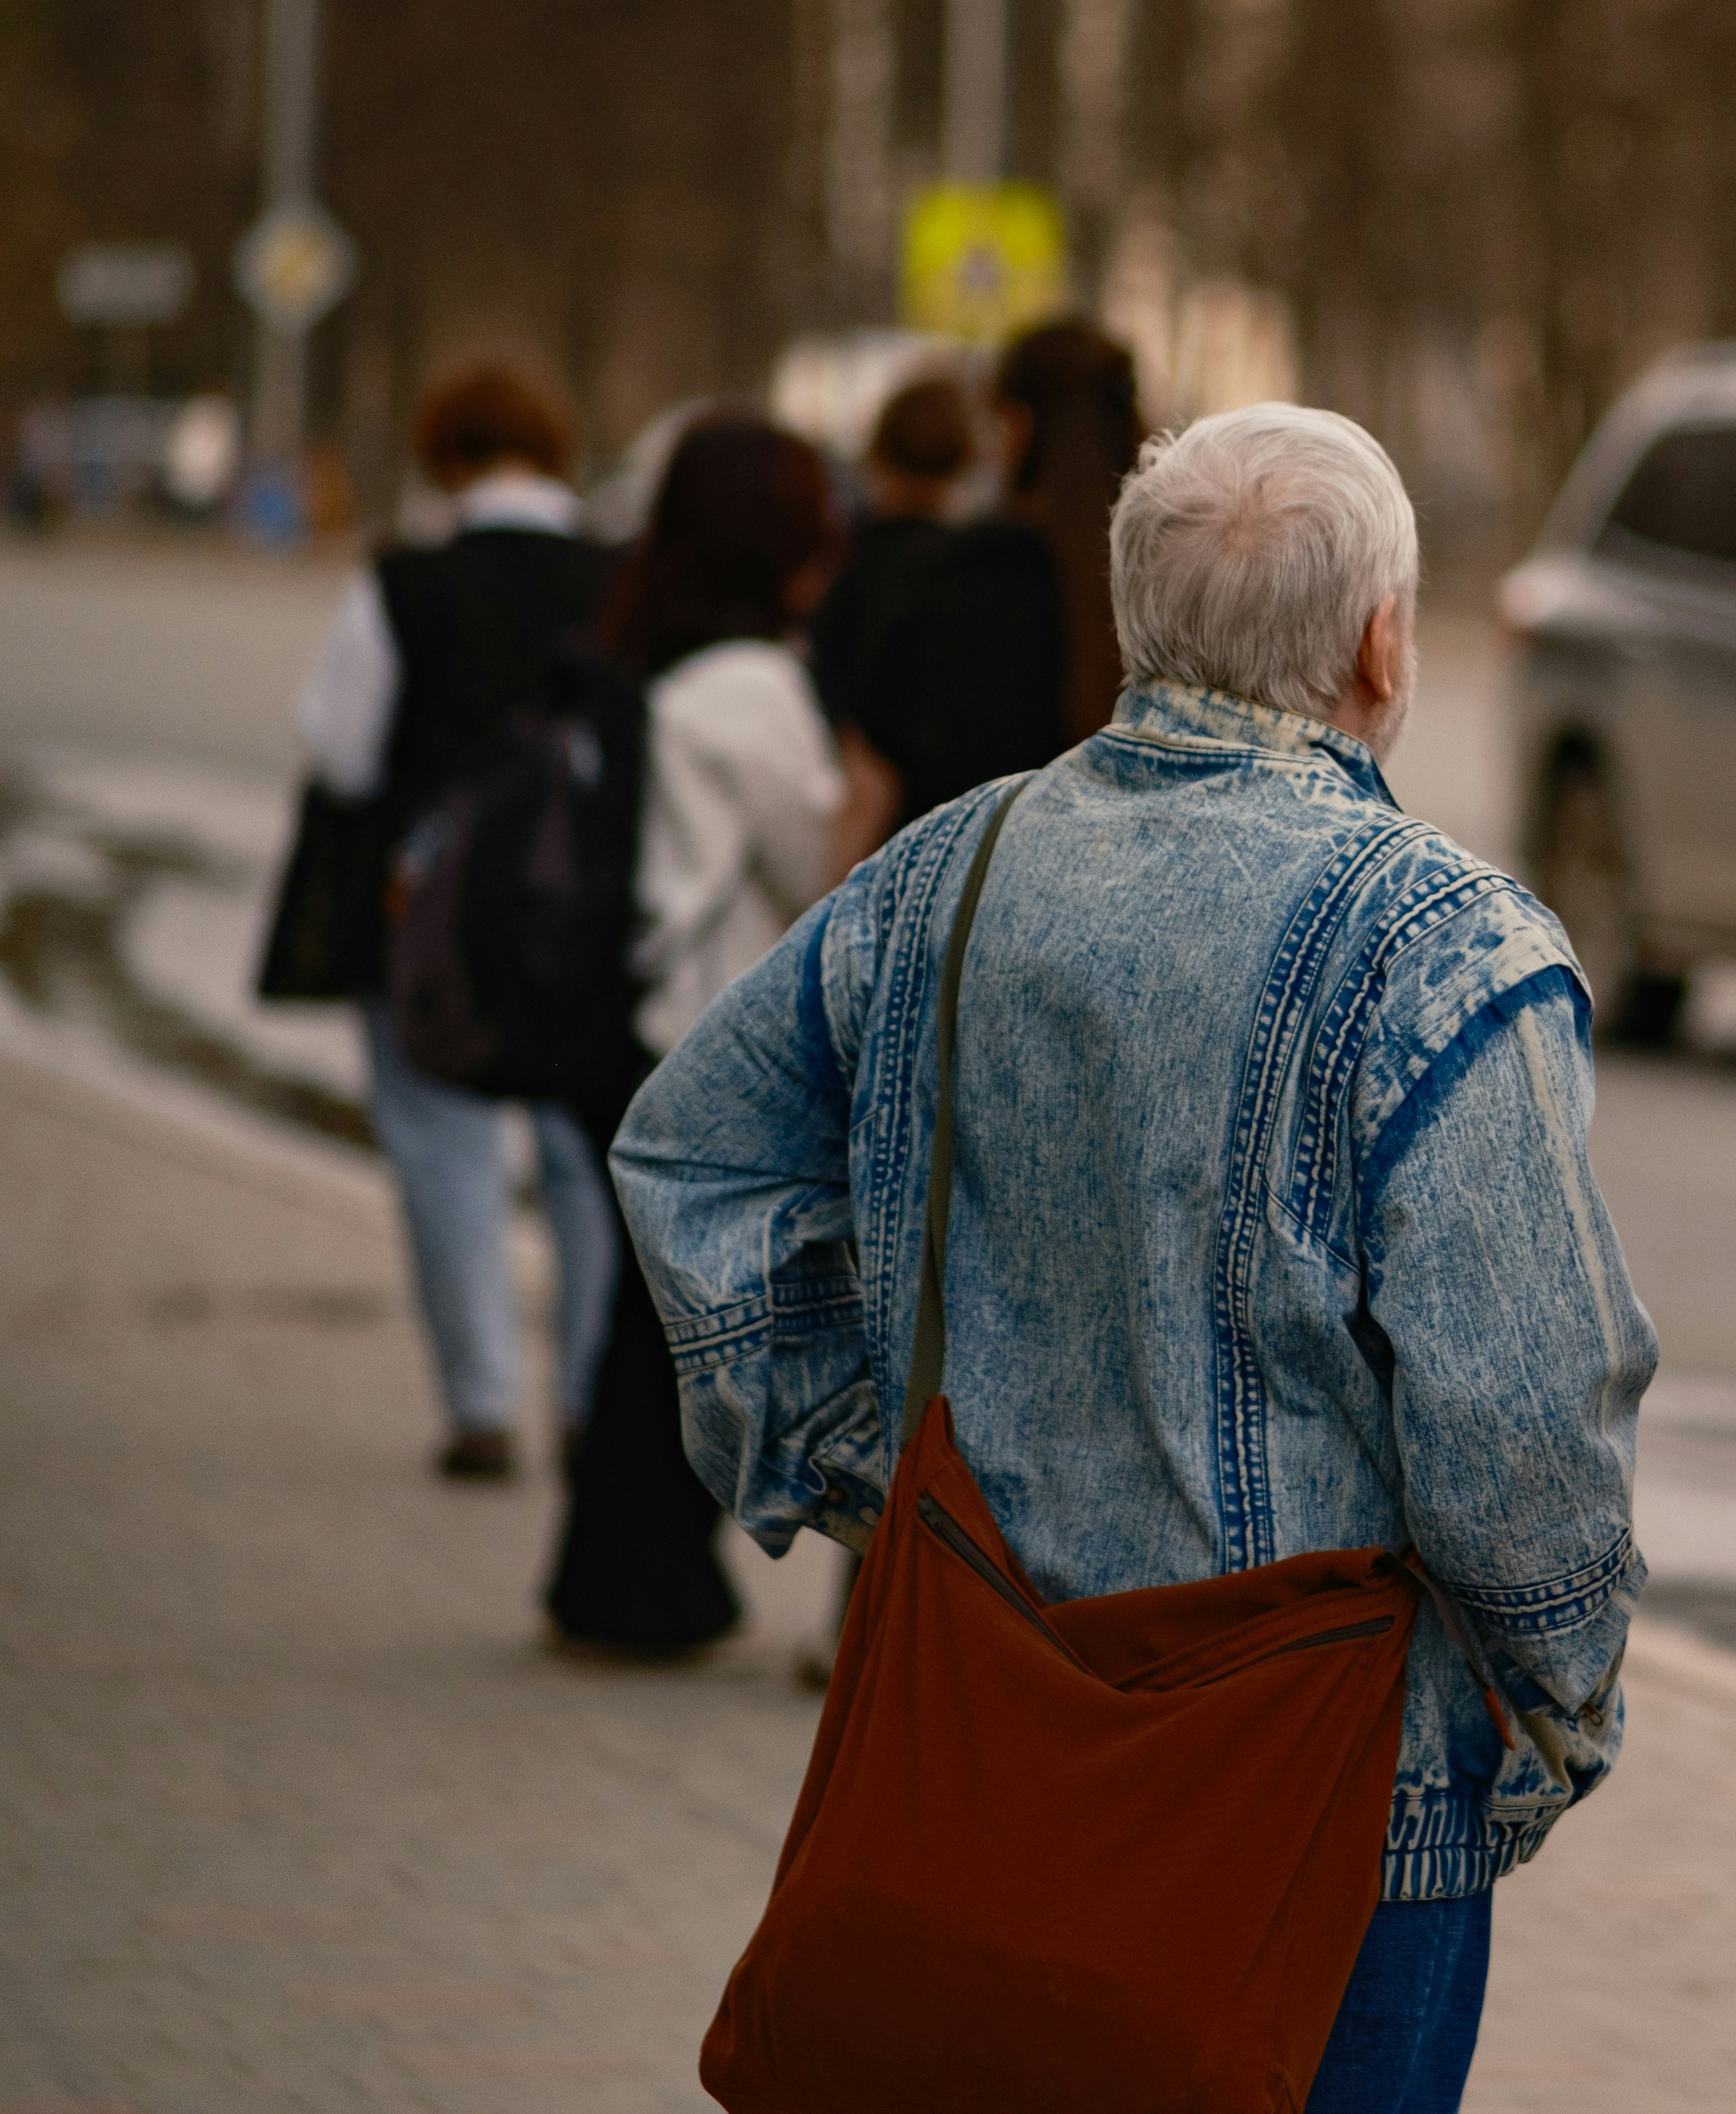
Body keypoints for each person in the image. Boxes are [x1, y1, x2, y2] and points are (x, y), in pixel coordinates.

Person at [610, 402, 1654, 2103]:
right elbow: (1524, 1421)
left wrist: (858, 1470)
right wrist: (1556, 1705)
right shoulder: (1448, 943)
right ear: (1383, 641)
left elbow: (692, 1155)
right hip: (1334, 1793)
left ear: (1136, 616)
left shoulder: (945, 871)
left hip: (978, 1745)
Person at [543, 415, 845, 1654]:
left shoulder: (645, 651)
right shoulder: (753, 688)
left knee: (639, 1319)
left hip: (620, 1021)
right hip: (700, 1048)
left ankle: (619, 1579)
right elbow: (819, 867)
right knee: (694, 1335)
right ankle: (636, 1586)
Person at [287, 362, 622, 1481]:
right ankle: (586, 1402)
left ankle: (480, 1404)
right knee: (587, 1158)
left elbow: (337, 747)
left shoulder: (405, 581)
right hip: (588, 922)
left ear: (444, 457)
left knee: (443, 1148)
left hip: (432, 923)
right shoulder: (620, 578)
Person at [839, 317, 1142, 831]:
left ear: (1017, 429)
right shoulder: (1168, 587)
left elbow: (875, 779)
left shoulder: (955, 580)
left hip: (959, 895)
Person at [814, 373, 975, 865]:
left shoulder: (841, 564)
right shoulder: (973, 574)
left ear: (878, 452)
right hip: (949, 832)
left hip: (852, 817)